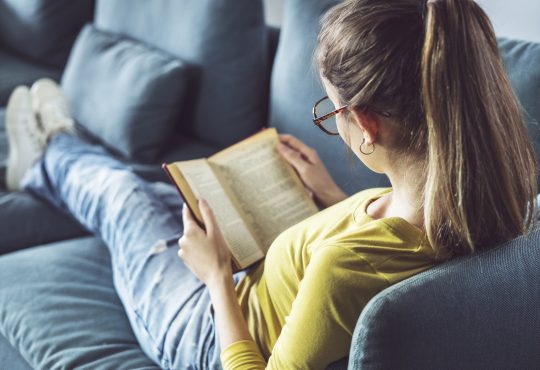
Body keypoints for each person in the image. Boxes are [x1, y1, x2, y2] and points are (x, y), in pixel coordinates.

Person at [4, 0, 537, 368]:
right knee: (167, 194)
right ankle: (60, 150)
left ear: (369, 125)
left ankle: (46, 154)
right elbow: (387, 249)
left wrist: (215, 277)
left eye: (333, 111)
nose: (332, 120)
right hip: (251, 294)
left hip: (208, 332)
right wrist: (332, 198)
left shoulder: (341, 269)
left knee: (124, 199)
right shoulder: (494, 202)